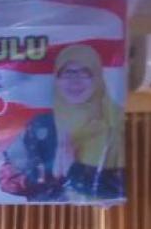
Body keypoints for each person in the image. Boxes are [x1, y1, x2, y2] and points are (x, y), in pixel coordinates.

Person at [53, 44, 125, 200]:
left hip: (108, 213)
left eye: (84, 73)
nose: (75, 81)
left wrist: (72, 170)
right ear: (56, 78)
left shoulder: (118, 121)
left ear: (97, 77)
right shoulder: (43, 124)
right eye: (68, 73)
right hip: (54, 213)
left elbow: (121, 188)